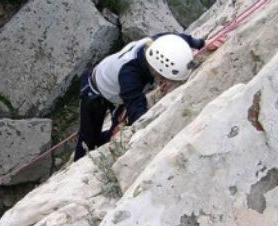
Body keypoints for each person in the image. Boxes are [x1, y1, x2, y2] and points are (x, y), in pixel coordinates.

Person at [73, 33, 205, 161]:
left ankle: (106, 138)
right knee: (88, 139)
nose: (168, 81)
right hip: (95, 91)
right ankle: (78, 164)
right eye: (165, 78)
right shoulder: (129, 74)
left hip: (114, 83)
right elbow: (138, 113)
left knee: (116, 130)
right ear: (158, 69)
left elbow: (177, 39)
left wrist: (201, 44)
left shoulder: (158, 44)